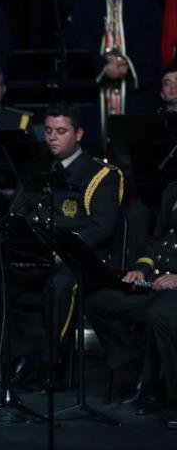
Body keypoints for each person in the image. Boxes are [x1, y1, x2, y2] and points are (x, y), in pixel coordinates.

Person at [0, 104, 122, 384]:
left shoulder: (100, 175)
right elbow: (15, 217)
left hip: (77, 262)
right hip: (33, 259)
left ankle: (54, 363)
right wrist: (21, 250)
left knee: (59, 286)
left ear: (79, 134)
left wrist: (62, 251)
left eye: (61, 131)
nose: (52, 137)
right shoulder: (37, 171)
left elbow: (102, 228)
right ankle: (21, 357)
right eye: (48, 131)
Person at [85, 179, 177, 429]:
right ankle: (139, 374)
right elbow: (158, 239)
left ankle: (169, 393)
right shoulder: (172, 189)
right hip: (157, 281)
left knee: (158, 314)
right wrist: (141, 268)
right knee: (98, 303)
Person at [70, 0, 162, 116]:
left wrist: (127, 65)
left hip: (135, 90)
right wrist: (103, 66)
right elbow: (78, 40)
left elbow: (152, 40)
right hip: (95, 91)